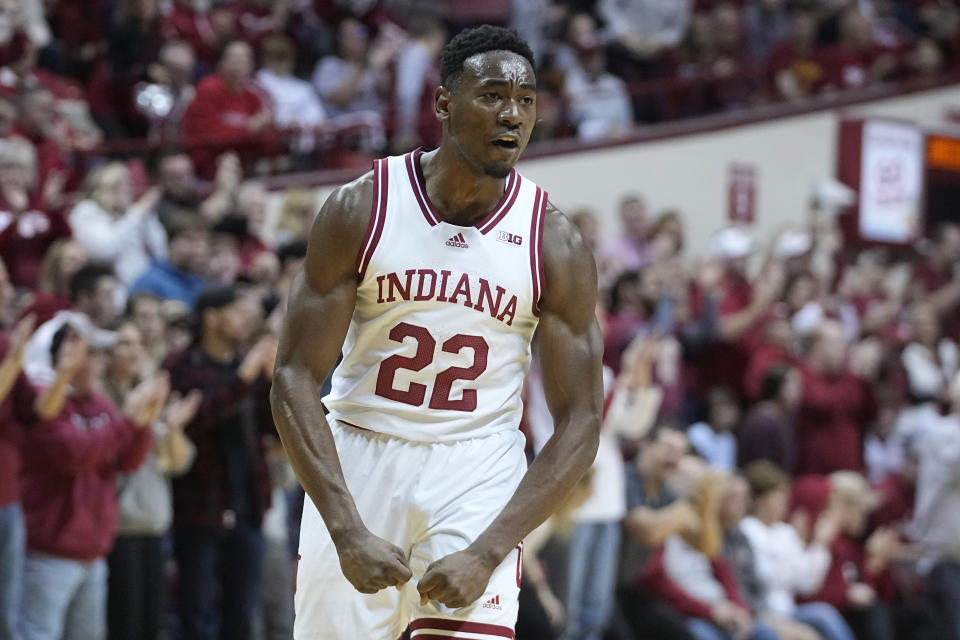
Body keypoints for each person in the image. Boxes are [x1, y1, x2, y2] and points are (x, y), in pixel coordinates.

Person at [271, 25, 603, 639]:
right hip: (361, 454)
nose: (512, 114)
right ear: (444, 103)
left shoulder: (553, 241)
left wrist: (491, 548)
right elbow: (292, 376)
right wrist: (345, 528)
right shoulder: (362, 208)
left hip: (476, 465)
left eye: (526, 100)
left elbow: (583, 416)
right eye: (493, 95)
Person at [18, 321, 168, 640]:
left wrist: (143, 422)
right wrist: (128, 422)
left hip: (93, 553)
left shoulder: (99, 404)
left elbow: (127, 461)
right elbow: (74, 454)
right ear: (65, 356)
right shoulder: (45, 402)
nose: (102, 361)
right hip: (48, 555)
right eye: (93, 354)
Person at [164, 285, 278, 640]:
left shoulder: (247, 366)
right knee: (196, 617)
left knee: (241, 617)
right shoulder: (181, 366)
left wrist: (277, 381)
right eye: (237, 313)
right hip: (198, 510)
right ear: (212, 318)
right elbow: (195, 423)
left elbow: (271, 428)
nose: (245, 321)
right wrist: (245, 378)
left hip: (248, 507)